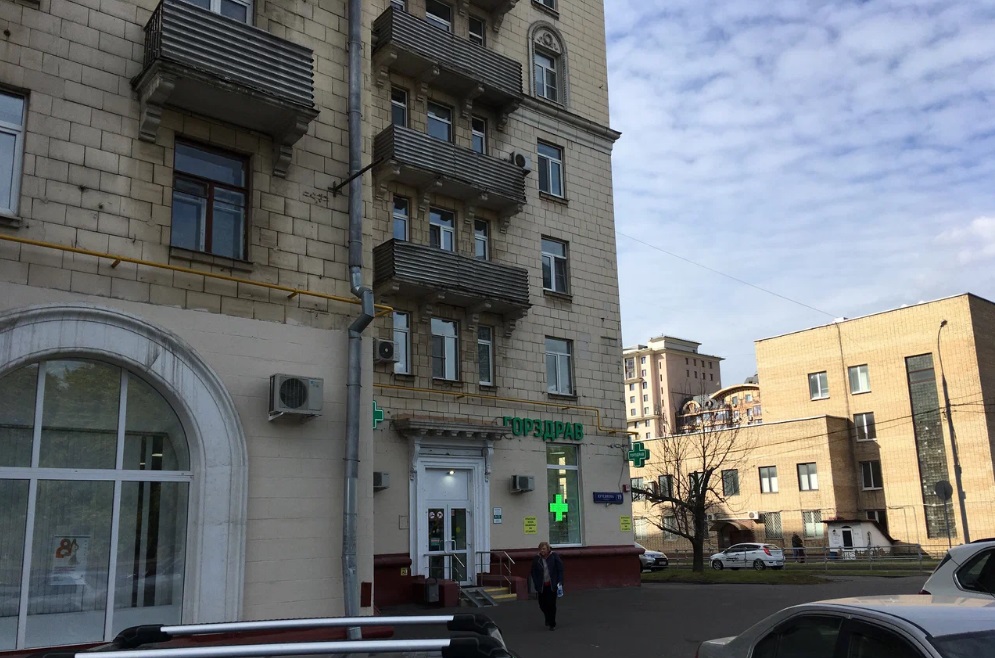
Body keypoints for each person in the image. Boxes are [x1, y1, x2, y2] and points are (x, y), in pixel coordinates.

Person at [530, 541, 564, 630]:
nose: (542, 550)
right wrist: (536, 583)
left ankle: (552, 623)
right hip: (541, 586)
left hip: (552, 585)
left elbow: (560, 569)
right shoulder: (537, 559)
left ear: (548, 549)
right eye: (541, 549)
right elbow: (533, 572)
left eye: (544, 549)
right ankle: (547, 617)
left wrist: (560, 581)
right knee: (542, 604)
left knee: (551, 604)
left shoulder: (554, 556)